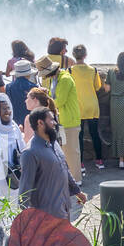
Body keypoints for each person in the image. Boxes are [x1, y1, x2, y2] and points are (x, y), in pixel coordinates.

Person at [17, 107, 85, 219]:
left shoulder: (54, 143)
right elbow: (25, 188)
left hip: (63, 208)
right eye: (52, 120)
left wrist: (77, 191)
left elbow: (65, 169)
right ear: (40, 123)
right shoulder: (30, 153)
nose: (55, 123)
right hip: (46, 216)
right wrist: (24, 219)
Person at [36, 54, 82, 182]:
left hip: (69, 121)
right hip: (61, 121)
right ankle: (68, 180)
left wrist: (45, 98)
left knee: (72, 152)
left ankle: (76, 180)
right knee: (64, 152)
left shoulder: (65, 79)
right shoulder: (55, 79)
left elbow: (59, 101)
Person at [69, 45, 105, 170]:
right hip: (92, 105)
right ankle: (99, 160)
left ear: (74, 55)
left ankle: (80, 163)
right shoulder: (93, 70)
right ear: (85, 55)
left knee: (79, 135)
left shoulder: (69, 71)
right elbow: (97, 87)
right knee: (95, 133)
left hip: (78, 106)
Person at [6, 58, 39, 127]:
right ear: (29, 74)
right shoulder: (33, 86)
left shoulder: (8, 87)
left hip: (15, 120)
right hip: (30, 120)